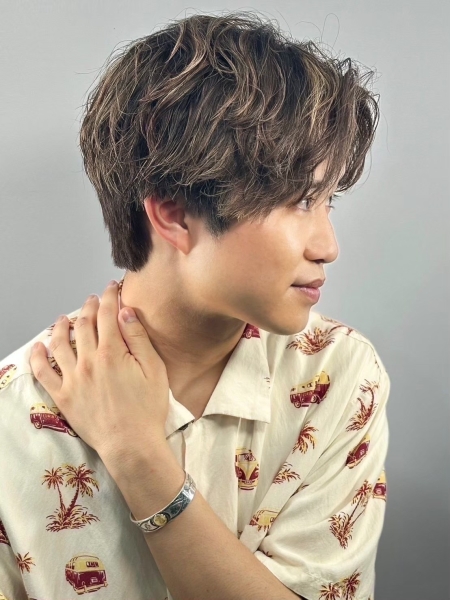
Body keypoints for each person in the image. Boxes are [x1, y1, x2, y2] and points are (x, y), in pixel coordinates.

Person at [0, 11, 390, 600]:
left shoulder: (337, 375)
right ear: (175, 214)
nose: (328, 246)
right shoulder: (15, 413)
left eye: (328, 200)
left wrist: (138, 456)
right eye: (300, 200)